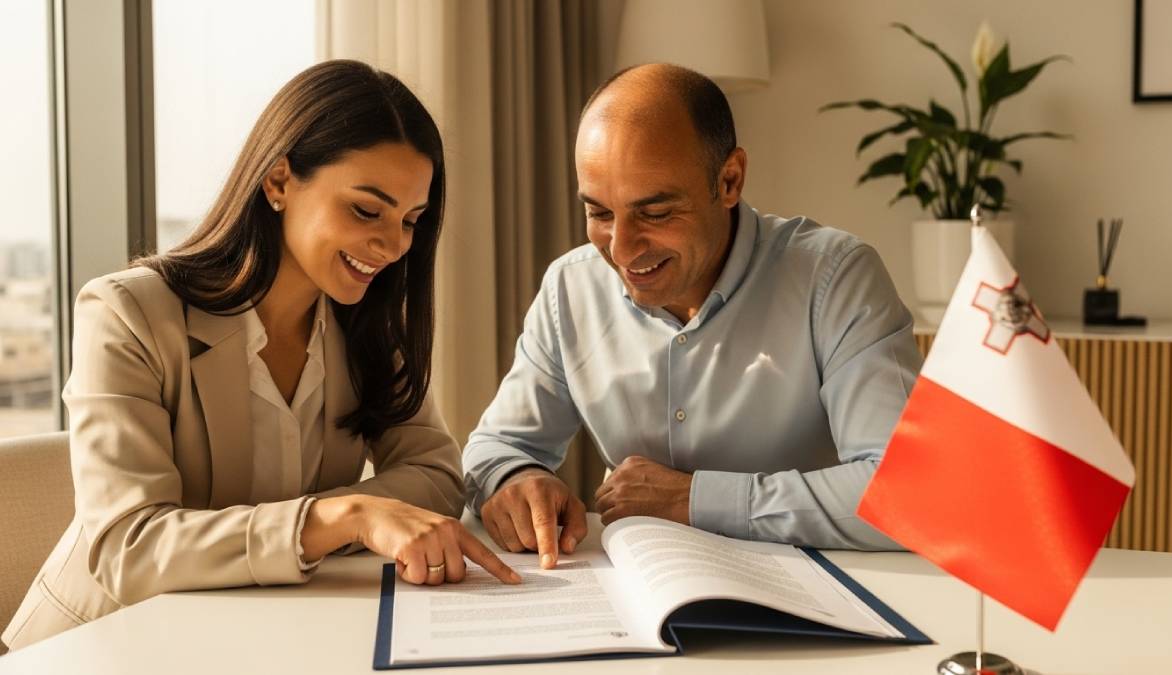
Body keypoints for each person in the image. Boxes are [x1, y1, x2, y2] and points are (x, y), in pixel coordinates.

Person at [2, 60, 518, 652]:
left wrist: (325, 525)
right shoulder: (127, 314)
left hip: (265, 640)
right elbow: (128, 550)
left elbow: (434, 475)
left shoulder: (364, 322)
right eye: (366, 210)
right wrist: (337, 520)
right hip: (99, 647)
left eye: (411, 221)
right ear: (278, 183)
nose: (395, 245)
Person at [463, 63, 922, 569]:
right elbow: (497, 447)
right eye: (598, 213)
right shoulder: (570, 288)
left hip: (828, 590)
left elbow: (908, 495)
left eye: (655, 213)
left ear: (729, 180)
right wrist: (514, 479)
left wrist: (695, 499)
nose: (620, 248)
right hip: (640, 594)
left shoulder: (835, 279)